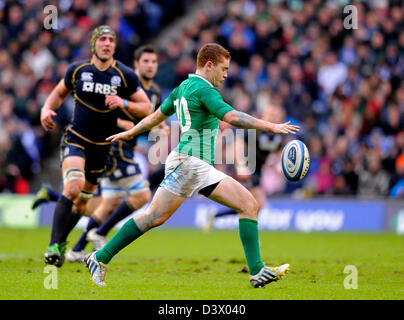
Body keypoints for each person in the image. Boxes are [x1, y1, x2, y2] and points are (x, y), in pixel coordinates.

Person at [84, 43, 299, 288]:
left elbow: (155, 117)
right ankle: (257, 271)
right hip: (192, 163)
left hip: (182, 161)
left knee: (153, 217)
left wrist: (131, 131)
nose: (226, 74)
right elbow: (232, 117)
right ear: (209, 65)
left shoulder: (182, 88)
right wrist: (271, 126)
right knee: (249, 204)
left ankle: (99, 257)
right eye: (223, 68)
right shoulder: (206, 90)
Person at [40, 25, 151, 267]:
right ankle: (53, 245)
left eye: (111, 40)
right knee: (73, 188)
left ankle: (62, 242)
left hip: (102, 149)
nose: (107, 43)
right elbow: (58, 93)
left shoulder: (125, 75)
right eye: (102, 39)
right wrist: (46, 108)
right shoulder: (77, 69)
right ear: (94, 44)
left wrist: (123, 102)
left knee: (81, 203)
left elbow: (146, 108)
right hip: (75, 139)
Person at [66, 45, 165, 261]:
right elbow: (101, 114)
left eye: (154, 62)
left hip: (128, 146)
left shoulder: (155, 92)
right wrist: (123, 122)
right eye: (145, 61)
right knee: (143, 195)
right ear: (136, 64)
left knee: (108, 203)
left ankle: (77, 249)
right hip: (113, 145)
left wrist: (160, 126)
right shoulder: (122, 84)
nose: (150, 66)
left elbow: (149, 119)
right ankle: (99, 232)